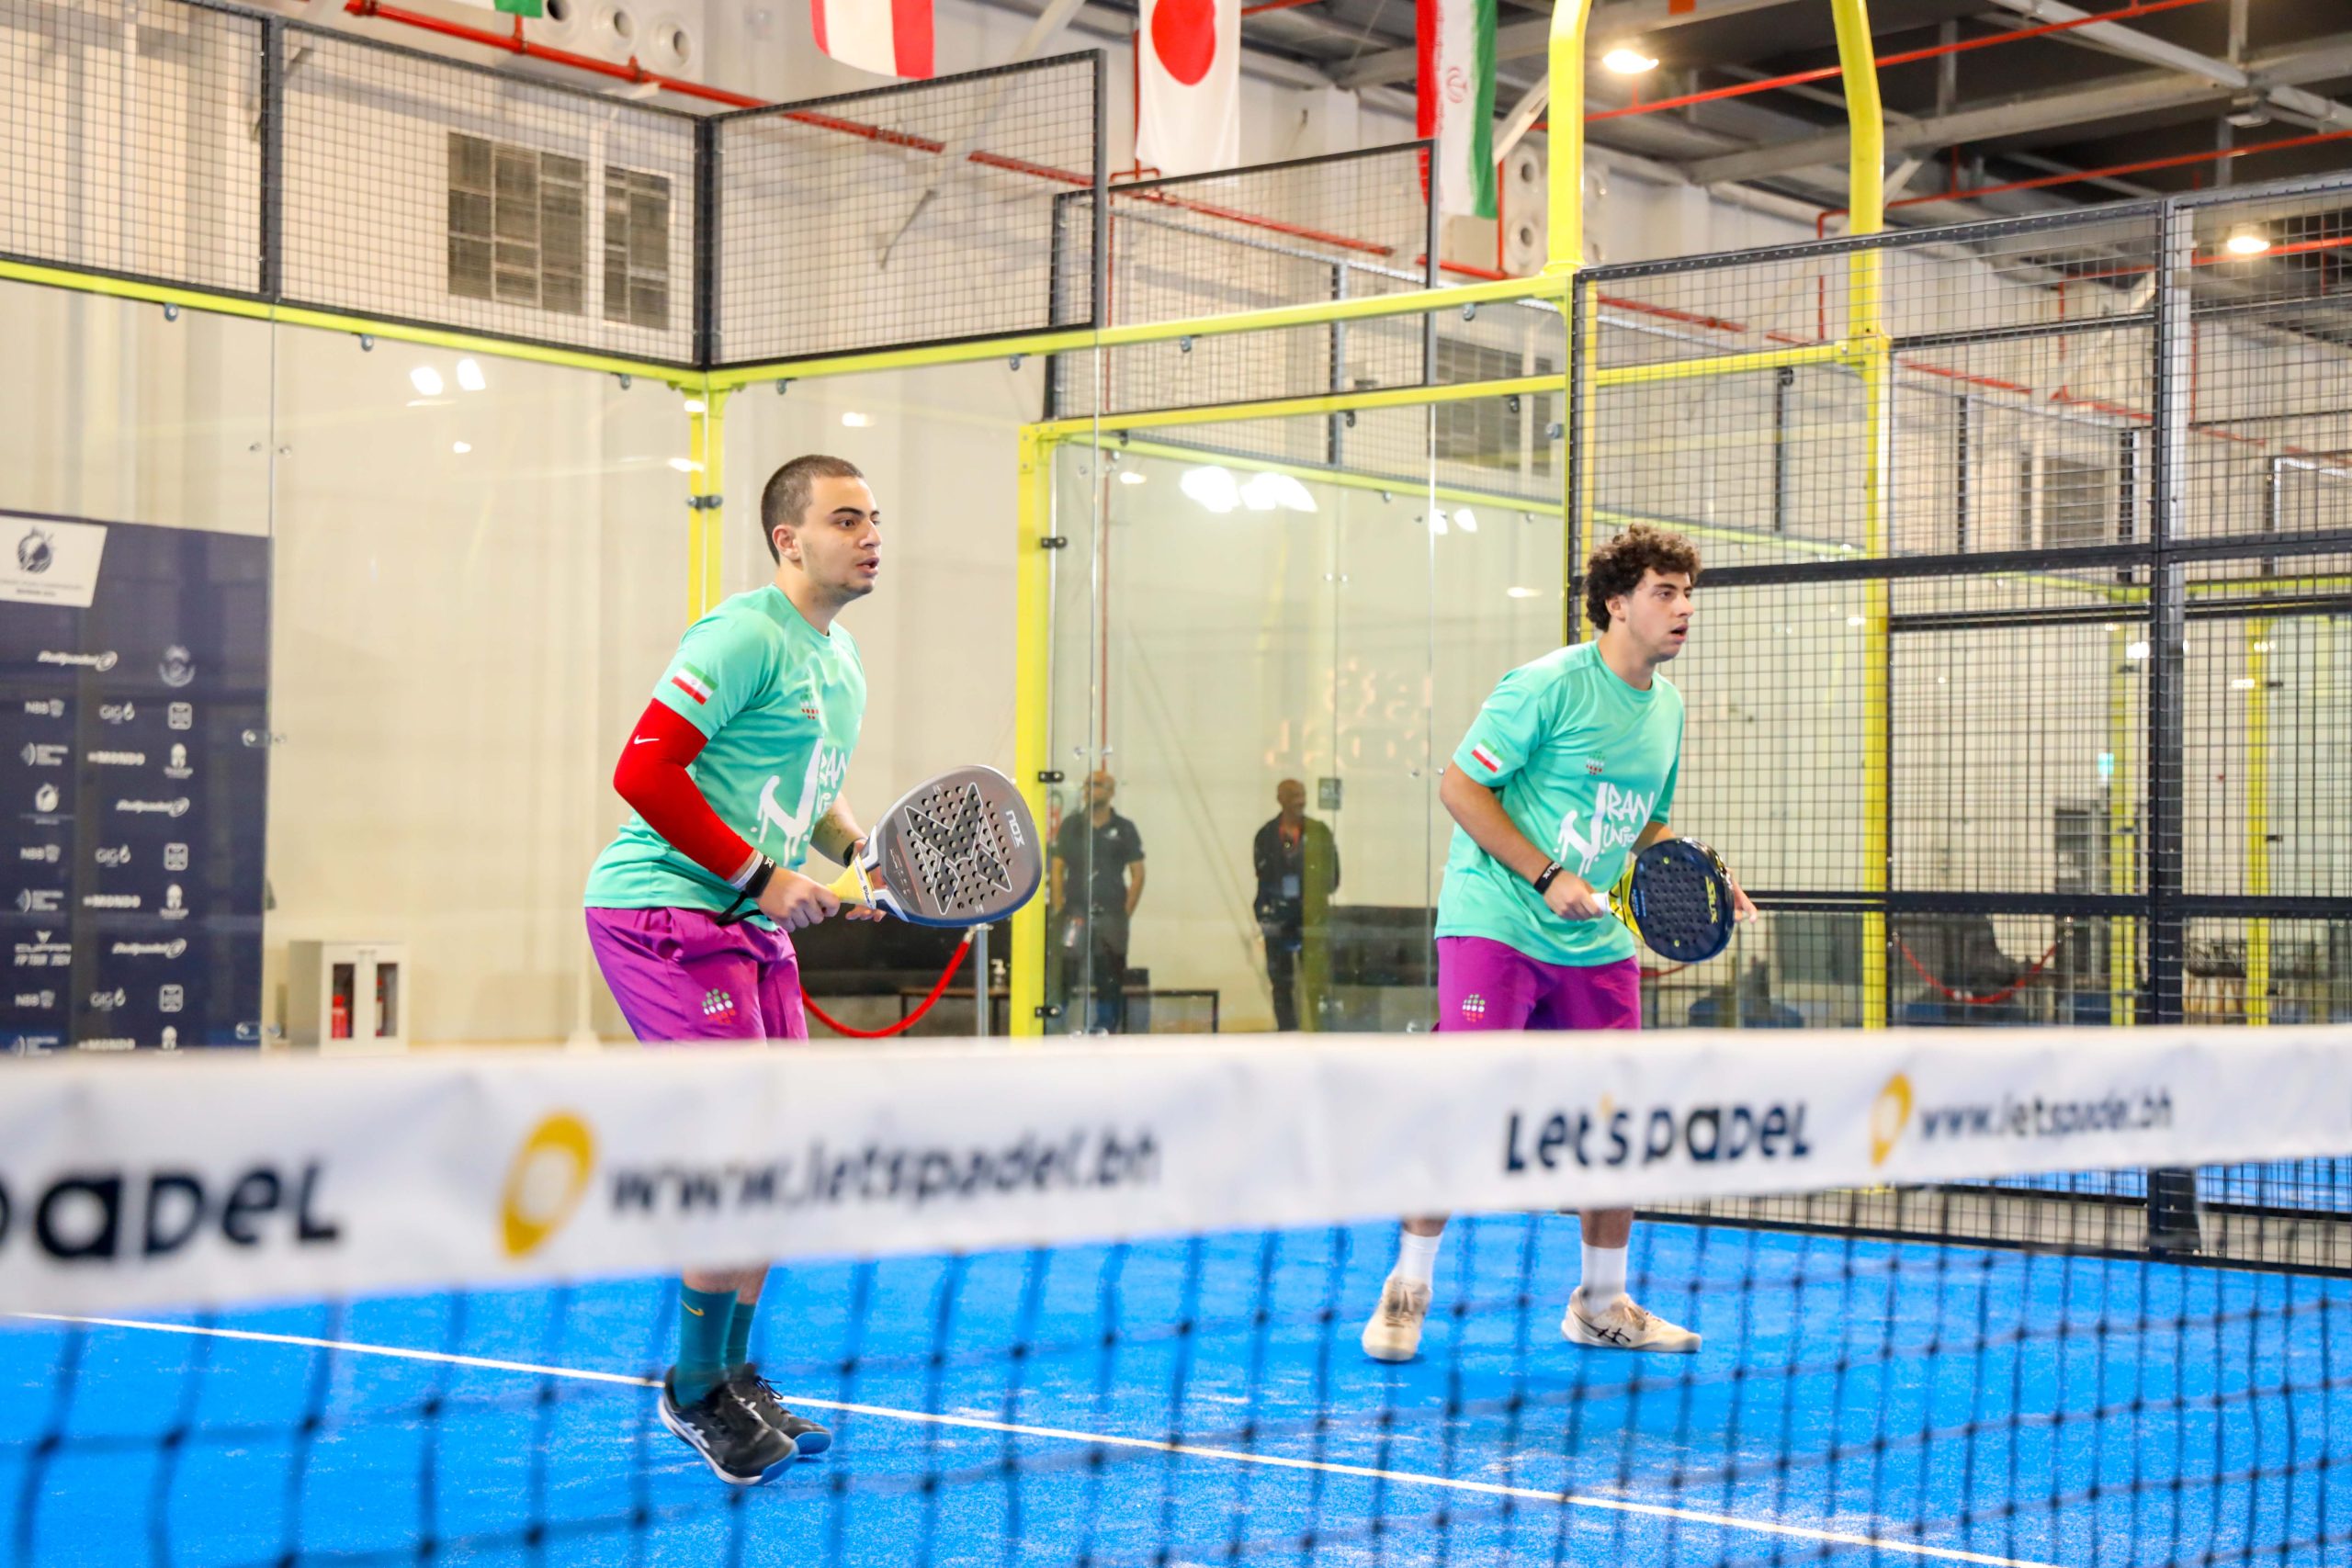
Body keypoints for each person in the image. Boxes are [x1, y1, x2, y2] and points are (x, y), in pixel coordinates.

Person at [1361, 525, 1755, 1364]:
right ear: (1617, 604)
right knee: (1464, 1098)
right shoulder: (1545, 686)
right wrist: (1545, 875)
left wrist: (1700, 875)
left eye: (1688, 593)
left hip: (1595, 939)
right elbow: (1460, 786)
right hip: (1497, 919)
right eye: (1664, 592)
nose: (1684, 608)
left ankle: (1601, 1304)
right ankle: (1407, 1286)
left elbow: (1644, 822)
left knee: (1618, 1115)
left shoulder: (1669, 709)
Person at [582, 454, 887, 1483]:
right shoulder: (742, 634)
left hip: (746, 922)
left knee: (777, 1153)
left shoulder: (839, 657)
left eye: (874, 519)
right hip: (660, 912)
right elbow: (642, 770)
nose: (870, 536)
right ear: (788, 540)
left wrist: (857, 851)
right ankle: (693, 1387)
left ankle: (731, 1373)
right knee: (733, 1154)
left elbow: (810, 785)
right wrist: (764, 876)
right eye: (846, 519)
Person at [1051, 770, 1146, 1032]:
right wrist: (1059, 909)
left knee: (1110, 976)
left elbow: (1138, 874)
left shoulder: (1125, 828)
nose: (1090, 789)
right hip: (1075, 913)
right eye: (1087, 785)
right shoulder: (1071, 825)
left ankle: (1105, 1030)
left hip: (1111, 916)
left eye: (1097, 785)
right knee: (1065, 973)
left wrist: (1124, 913)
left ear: (1111, 792)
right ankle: (1055, 1026)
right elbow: (1057, 868)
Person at [1251, 778, 1339, 1032]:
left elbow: (1332, 877)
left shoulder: (1319, 832)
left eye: (1301, 794)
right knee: (1281, 984)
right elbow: (1262, 877)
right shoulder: (1266, 836)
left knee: (1317, 984)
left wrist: (1311, 893)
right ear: (1280, 799)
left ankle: (1320, 1035)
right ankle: (1287, 1035)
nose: (1299, 801)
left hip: (1311, 917)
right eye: (1292, 795)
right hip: (1277, 918)